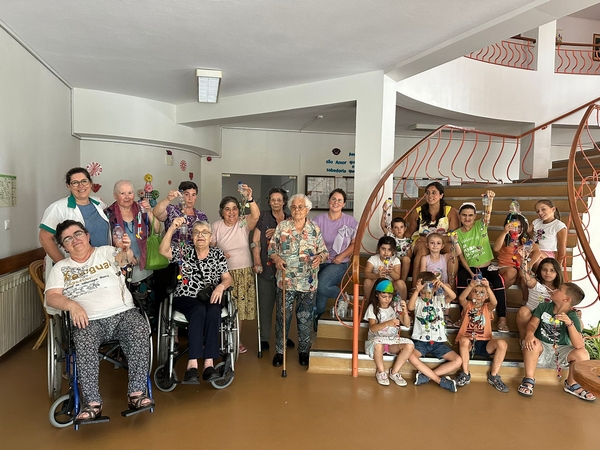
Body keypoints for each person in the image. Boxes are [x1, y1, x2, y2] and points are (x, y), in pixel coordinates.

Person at [45, 220, 153, 422]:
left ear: (87, 236)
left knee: (139, 327)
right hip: (89, 320)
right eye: (67, 239)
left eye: (78, 234)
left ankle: (137, 394)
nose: (75, 240)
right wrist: (72, 305)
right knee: (84, 339)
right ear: (64, 247)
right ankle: (92, 403)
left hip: (123, 313)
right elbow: (51, 297)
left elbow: (124, 259)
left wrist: (126, 250)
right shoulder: (60, 268)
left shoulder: (106, 252)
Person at [159, 218, 232, 383]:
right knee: (198, 310)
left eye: (205, 233)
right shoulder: (184, 250)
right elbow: (163, 251)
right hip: (185, 297)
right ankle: (192, 365)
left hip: (209, 296)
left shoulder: (217, 254)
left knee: (213, 311)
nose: (200, 236)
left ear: (211, 237)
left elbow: (227, 278)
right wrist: (172, 228)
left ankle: (209, 364)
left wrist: (220, 287)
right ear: (191, 236)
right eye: (196, 233)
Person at [268, 194, 328, 367]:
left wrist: (320, 258)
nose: (297, 210)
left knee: (305, 317)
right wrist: (277, 259)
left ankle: (303, 350)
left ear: (307, 209)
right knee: (282, 317)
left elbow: (324, 251)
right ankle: (280, 351)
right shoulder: (283, 226)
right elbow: (272, 250)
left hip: (308, 282)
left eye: (300, 207)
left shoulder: (314, 229)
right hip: (285, 280)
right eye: (293, 207)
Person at [519, 282, 595, 401]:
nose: (555, 290)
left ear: (566, 299)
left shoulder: (572, 316)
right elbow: (532, 325)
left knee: (582, 353)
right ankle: (529, 379)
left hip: (560, 351)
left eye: (559, 289)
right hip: (541, 348)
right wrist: (529, 334)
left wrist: (569, 323)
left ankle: (572, 384)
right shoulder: (544, 306)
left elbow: (579, 345)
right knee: (532, 343)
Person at [211, 185, 260, 354]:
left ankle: (236, 339)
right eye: (227, 209)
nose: (231, 212)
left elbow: (256, 215)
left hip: (243, 271)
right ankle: (222, 338)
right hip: (223, 273)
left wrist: (250, 199)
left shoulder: (243, 222)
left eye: (234, 209)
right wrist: (219, 253)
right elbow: (210, 248)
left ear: (239, 211)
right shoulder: (216, 226)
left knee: (239, 309)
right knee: (223, 308)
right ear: (221, 211)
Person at [39, 167, 110, 279]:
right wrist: (63, 265)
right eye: (75, 183)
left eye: (84, 181)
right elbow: (44, 238)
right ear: (68, 186)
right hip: (73, 267)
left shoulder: (99, 203)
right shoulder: (58, 208)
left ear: (90, 183)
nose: (81, 186)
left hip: (100, 264)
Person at [455, 193, 508, 332]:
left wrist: (490, 200)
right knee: (461, 277)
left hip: (487, 268)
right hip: (470, 268)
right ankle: (463, 314)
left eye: (470, 215)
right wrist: (471, 273)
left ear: (475, 216)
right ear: (459, 216)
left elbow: (487, 214)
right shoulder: (456, 234)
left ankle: (502, 318)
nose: (467, 218)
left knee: (498, 281)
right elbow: (461, 257)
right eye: (464, 215)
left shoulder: (480, 225)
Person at [251, 187, 291, 350]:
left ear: (284, 202)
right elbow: (255, 241)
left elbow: (295, 240)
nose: (275, 202)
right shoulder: (263, 217)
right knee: (266, 305)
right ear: (269, 202)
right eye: (273, 200)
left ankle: (284, 337)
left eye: (279, 200)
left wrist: (279, 232)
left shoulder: (290, 219)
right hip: (266, 267)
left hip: (286, 269)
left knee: (285, 307)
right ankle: (264, 337)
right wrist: (257, 261)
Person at [407, 271, 460, 392]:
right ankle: (439, 381)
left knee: (458, 360)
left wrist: (442, 285)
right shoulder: (418, 301)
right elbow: (410, 307)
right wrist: (417, 290)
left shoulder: (439, 300)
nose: (426, 295)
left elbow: (453, 296)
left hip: (438, 342)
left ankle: (426, 376)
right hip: (421, 342)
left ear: (434, 289)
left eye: (429, 292)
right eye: (423, 292)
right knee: (411, 356)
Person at [455, 278, 509, 392]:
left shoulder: (487, 308)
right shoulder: (467, 305)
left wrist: (488, 287)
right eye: (475, 292)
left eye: (482, 293)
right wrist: (471, 286)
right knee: (463, 340)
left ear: (486, 296)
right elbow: (461, 298)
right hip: (469, 343)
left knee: (502, 344)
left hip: (485, 343)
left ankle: (493, 375)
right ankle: (465, 373)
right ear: (470, 294)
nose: (479, 295)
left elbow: (495, 303)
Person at [104, 180, 160, 285]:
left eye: (130, 193)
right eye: (122, 193)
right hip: (121, 264)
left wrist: (149, 211)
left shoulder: (140, 208)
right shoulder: (108, 213)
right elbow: (106, 241)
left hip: (146, 261)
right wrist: (127, 255)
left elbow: (157, 229)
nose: (127, 197)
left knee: (146, 293)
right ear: (115, 195)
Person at [313, 189, 358, 317]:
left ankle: (343, 297)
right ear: (329, 201)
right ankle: (318, 320)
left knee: (322, 285)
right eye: (333, 199)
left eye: (339, 200)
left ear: (344, 204)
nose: (336, 202)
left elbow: (355, 244)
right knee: (319, 294)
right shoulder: (318, 220)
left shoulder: (350, 221)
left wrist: (341, 256)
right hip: (319, 261)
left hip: (339, 263)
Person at [405, 182, 460, 285]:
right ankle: (416, 286)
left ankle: (451, 287)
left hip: (442, 242)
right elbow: (409, 233)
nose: (430, 196)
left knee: (452, 250)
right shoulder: (418, 211)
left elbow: (453, 236)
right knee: (422, 248)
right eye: (427, 193)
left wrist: (430, 239)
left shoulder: (451, 211)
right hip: (422, 243)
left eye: (434, 193)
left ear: (441, 195)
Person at [364, 278, 413, 386]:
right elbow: (372, 328)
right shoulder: (372, 307)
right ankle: (381, 372)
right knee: (378, 345)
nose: (387, 299)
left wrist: (405, 312)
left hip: (391, 342)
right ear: (376, 294)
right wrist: (387, 323)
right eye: (384, 296)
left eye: (390, 296)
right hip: (376, 343)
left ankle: (394, 372)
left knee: (409, 346)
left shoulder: (394, 306)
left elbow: (407, 324)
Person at [493, 212, 542, 303]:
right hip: (505, 268)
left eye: (519, 227)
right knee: (512, 272)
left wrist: (529, 265)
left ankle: (525, 302)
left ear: (523, 227)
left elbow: (538, 252)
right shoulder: (505, 238)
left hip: (520, 269)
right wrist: (504, 232)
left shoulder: (525, 240)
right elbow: (496, 248)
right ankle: (496, 297)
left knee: (525, 275)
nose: (516, 229)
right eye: (513, 226)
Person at [516, 257, 563, 341]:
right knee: (523, 311)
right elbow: (523, 274)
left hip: (548, 318)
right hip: (531, 315)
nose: (548, 273)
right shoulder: (535, 283)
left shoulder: (561, 289)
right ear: (540, 270)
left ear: (557, 272)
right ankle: (524, 340)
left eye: (552, 270)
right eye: (544, 270)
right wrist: (524, 259)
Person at [153, 181, 208, 245]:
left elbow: (206, 236)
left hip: (195, 251)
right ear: (180, 195)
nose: (190, 198)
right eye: (187, 194)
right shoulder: (171, 210)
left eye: (193, 195)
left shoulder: (201, 215)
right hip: (172, 250)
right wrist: (168, 199)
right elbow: (156, 213)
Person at [363, 236, 407, 302]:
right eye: (383, 249)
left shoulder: (395, 260)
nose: (386, 252)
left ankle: (402, 305)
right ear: (378, 248)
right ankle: (370, 304)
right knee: (367, 282)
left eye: (389, 250)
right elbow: (366, 274)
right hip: (377, 285)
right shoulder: (373, 259)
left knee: (401, 283)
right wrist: (377, 276)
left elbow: (397, 277)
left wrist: (391, 272)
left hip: (391, 284)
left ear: (393, 250)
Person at [529, 199, 567, 268]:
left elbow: (562, 247)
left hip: (546, 255)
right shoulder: (536, 222)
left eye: (543, 209)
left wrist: (558, 265)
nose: (540, 213)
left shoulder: (559, 225)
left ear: (553, 209)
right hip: (533, 251)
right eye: (537, 211)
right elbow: (524, 231)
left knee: (536, 259)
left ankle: (528, 268)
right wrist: (518, 216)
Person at [380, 205, 412, 282]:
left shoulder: (407, 241)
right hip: (391, 260)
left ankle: (402, 281)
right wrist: (384, 212)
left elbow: (409, 254)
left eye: (401, 227)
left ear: (405, 228)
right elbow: (383, 226)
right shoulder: (391, 236)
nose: (399, 230)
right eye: (396, 227)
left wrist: (401, 259)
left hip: (401, 261)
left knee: (406, 259)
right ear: (392, 229)